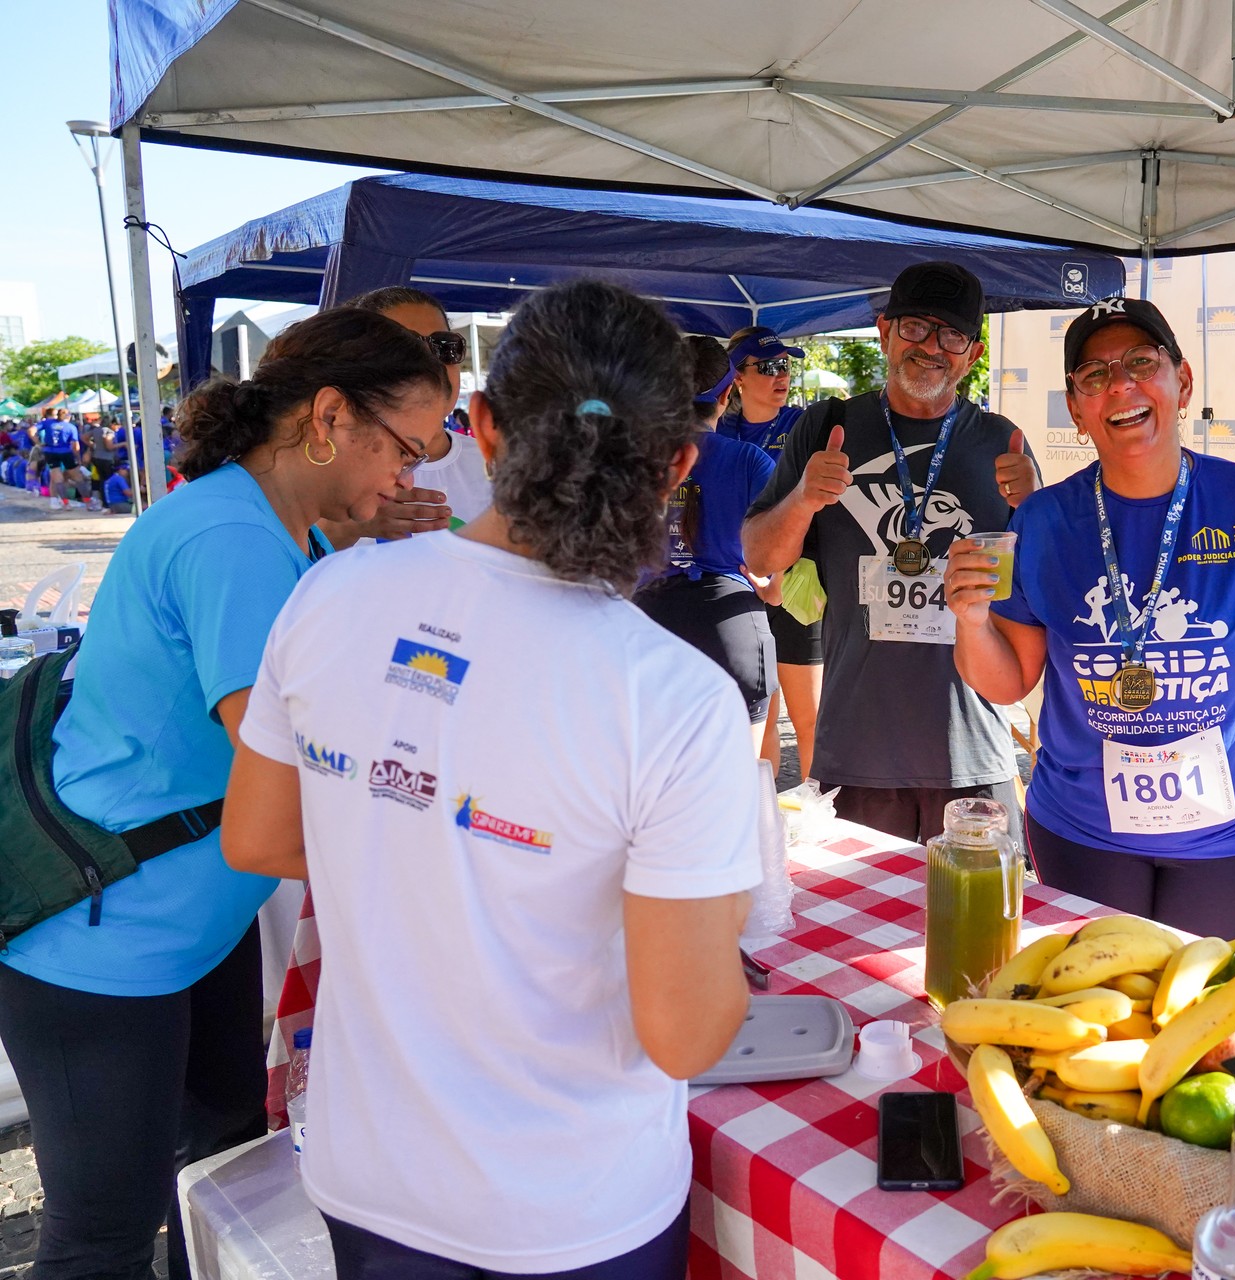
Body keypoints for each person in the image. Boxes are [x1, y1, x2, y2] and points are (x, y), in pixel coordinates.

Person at [224, 279, 759, 1278]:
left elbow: (254, 837)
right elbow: (687, 1031)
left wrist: (414, 843)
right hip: (571, 1208)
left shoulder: (331, 590)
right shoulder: (676, 695)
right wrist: (726, 913)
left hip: (369, 1174)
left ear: (480, 428)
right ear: (680, 462)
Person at [0, 309, 447, 1280]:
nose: (410, 478)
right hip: (101, 945)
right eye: (405, 449)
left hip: (193, 930)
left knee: (218, 1169)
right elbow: (286, 781)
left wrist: (378, 539)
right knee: (102, 1237)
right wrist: (465, 859)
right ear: (329, 417)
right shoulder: (231, 540)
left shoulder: (286, 529)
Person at [942, 297, 1235, 934]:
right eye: (1096, 375)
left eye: (1142, 362)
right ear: (1078, 409)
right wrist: (971, 622)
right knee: (1093, 1017)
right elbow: (1009, 681)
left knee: (1217, 1019)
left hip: (1232, 835)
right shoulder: (1042, 521)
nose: (1122, 385)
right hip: (1083, 829)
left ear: (1182, 381)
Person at [741, 261, 1039, 846]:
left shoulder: (1002, 442)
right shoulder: (828, 427)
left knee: (981, 934)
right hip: (856, 754)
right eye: (915, 328)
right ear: (883, 331)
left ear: (972, 354)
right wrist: (803, 498)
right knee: (859, 937)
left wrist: (1036, 509)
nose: (931, 347)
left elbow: (1041, 591)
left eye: (951, 335)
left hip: (972, 755)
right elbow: (760, 558)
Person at [636, 336, 778, 749]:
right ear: (728, 392)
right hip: (731, 627)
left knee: (651, 793)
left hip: (647, 628)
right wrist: (773, 589)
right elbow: (790, 545)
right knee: (737, 790)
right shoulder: (750, 460)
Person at [720, 327, 821, 780]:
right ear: (737, 378)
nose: (782, 375)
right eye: (768, 367)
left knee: (810, 720)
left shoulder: (804, 425)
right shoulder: (720, 429)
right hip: (740, 587)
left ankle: (822, 830)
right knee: (759, 725)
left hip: (797, 588)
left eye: (786, 365)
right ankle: (765, 826)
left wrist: (779, 576)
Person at [321, 286, 491, 546]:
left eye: (444, 347)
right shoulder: (323, 469)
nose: (432, 366)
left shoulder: (506, 471)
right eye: (405, 349)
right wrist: (346, 528)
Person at [35, 407, 88, 510]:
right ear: (68, 416)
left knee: (57, 479)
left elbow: (31, 430)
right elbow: (75, 446)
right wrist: (78, 458)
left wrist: (38, 443)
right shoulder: (71, 427)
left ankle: (65, 503)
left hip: (50, 452)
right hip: (66, 452)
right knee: (78, 477)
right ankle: (88, 502)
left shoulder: (48, 423)